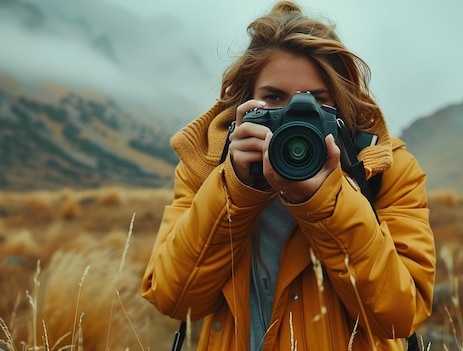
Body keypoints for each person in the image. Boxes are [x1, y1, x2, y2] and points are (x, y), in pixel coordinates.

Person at [141, 1, 436, 350]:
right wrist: (234, 188)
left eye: (316, 100)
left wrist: (326, 202)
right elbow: (173, 299)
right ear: (245, 105)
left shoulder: (384, 170)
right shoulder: (207, 168)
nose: (295, 114)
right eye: (273, 99)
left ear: (341, 106)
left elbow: (400, 315)